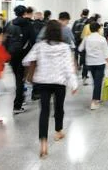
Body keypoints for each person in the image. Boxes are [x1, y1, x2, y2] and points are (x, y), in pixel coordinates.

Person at [22, 20, 78, 158]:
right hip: (59, 82)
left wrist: (39, 64)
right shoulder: (65, 47)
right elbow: (68, 67)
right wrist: (74, 83)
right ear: (59, 32)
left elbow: (26, 60)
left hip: (43, 82)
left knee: (44, 112)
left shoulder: (39, 46)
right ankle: (58, 132)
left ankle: (43, 144)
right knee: (59, 108)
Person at [4, 5, 35, 114]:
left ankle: (19, 100)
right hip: (24, 54)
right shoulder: (28, 24)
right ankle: (18, 104)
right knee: (21, 78)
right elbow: (33, 40)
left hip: (12, 54)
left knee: (17, 77)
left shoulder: (9, 23)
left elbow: (5, 39)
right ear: (24, 13)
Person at [78, 22, 108, 110]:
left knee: (95, 81)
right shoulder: (102, 39)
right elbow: (106, 52)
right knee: (98, 82)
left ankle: (96, 98)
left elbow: (80, 48)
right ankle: (94, 101)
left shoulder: (86, 38)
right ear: (98, 29)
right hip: (100, 62)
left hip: (90, 62)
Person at [72, 9, 89, 82]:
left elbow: (72, 31)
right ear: (88, 14)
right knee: (84, 57)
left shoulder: (76, 21)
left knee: (76, 54)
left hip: (76, 41)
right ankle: (84, 75)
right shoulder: (88, 21)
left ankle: (76, 68)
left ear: (82, 13)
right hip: (84, 41)